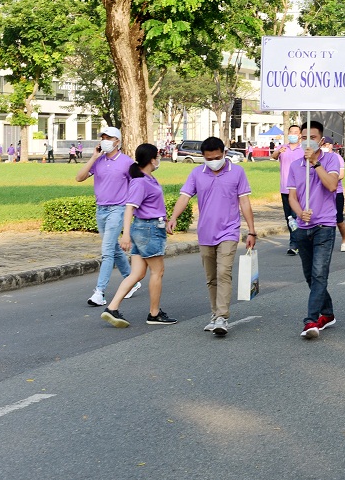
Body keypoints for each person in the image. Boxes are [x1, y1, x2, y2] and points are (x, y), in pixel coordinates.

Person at [167, 137, 256, 336]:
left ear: (224, 153)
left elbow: (245, 202)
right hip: (206, 232)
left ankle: (222, 317)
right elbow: (184, 196)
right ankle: (215, 314)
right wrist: (173, 217)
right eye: (209, 158)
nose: (214, 161)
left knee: (223, 272)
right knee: (211, 277)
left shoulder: (237, 172)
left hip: (229, 231)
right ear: (203, 157)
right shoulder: (197, 173)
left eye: (217, 157)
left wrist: (251, 230)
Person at [101, 143, 176, 328]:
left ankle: (112, 308)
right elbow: (129, 208)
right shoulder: (141, 181)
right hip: (147, 230)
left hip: (149, 228)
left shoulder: (149, 178)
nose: (159, 159)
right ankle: (154, 313)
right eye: (157, 156)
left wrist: (165, 221)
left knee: (137, 273)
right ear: (152, 159)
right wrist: (125, 234)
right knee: (157, 272)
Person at [287, 121, 343, 339]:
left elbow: (331, 185)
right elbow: (292, 197)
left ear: (321, 140)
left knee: (320, 274)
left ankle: (311, 321)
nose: (307, 140)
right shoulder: (294, 166)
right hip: (303, 226)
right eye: (303, 137)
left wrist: (315, 163)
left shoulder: (331, 159)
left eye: (312, 136)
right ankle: (327, 313)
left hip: (324, 226)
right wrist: (300, 213)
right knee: (311, 275)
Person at [76, 127, 139, 307]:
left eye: (109, 137)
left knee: (106, 252)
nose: (105, 140)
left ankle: (99, 292)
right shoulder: (99, 161)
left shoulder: (127, 163)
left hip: (117, 209)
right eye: (103, 137)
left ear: (117, 141)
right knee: (113, 248)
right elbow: (79, 178)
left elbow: (137, 185)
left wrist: (131, 209)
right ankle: (131, 280)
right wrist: (94, 157)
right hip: (101, 209)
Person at [272, 124, 303, 255]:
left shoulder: (303, 149)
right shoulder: (282, 147)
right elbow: (273, 156)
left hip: (299, 189)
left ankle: (295, 244)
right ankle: (297, 241)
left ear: (300, 135)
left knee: (296, 217)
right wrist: (279, 151)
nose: (293, 134)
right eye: (291, 132)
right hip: (285, 188)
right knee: (289, 218)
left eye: (296, 132)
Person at [322, 137, 345, 252]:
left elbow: (342, 175)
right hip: (323, 193)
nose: (325, 146)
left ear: (331, 145)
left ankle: (344, 239)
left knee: (338, 220)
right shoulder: (318, 157)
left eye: (327, 144)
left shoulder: (337, 158)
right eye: (323, 144)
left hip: (336, 192)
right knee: (324, 220)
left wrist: (328, 178)